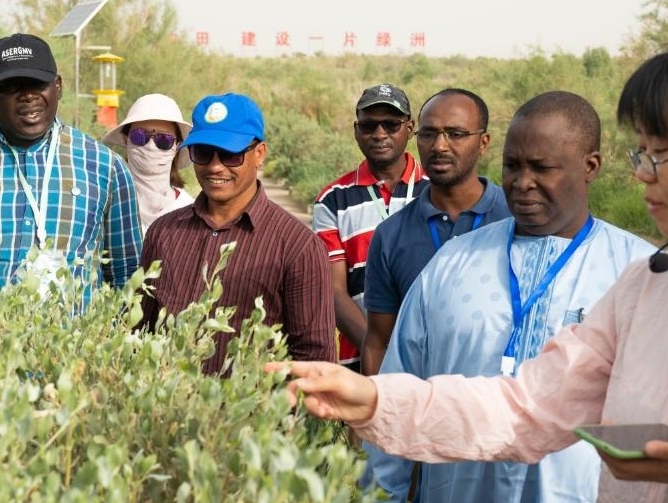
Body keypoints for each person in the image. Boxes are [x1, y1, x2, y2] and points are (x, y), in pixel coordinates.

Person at [271, 30, 668, 503]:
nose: (642, 173)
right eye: (642, 151)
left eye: (661, 153)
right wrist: (377, 401)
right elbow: (526, 407)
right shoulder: (651, 285)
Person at [363, 92, 655, 503]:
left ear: (590, 166)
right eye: (513, 166)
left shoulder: (638, 273)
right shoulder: (453, 264)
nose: (521, 183)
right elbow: (398, 389)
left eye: (542, 168)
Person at [0, 33, 142, 321]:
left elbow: (126, 275)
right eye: (12, 86)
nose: (28, 95)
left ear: (57, 87)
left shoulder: (105, 166)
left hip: (78, 361)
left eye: (38, 83)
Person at [139, 92, 336, 374]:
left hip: (251, 416)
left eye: (230, 154)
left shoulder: (298, 247)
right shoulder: (164, 233)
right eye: (203, 153)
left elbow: (314, 362)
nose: (215, 166)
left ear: (259, 154)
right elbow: (139, 334)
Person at [361, 88, 510, 375]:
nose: (439, 146)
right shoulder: (391, 235)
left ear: (483, 142)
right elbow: (378, 341)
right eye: (428, 134)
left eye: (455, 134)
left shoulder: (515, 220)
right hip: (418, 412)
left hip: (500, 410)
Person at [313, 84, 424, 372]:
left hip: (430, 358)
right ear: (356, 130)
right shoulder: (333, 199)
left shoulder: (434, 191)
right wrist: (379, 351)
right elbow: (334, 290)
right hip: (362, 361)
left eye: (391, 124)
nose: (379, 133)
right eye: (369, 125)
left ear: (410, 128)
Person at [102, 93, 194, 235]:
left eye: (164, 140)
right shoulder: (105, 202)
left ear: (177, 146)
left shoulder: (189, 212)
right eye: (140, 136)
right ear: (126, 140)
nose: (151, 146)